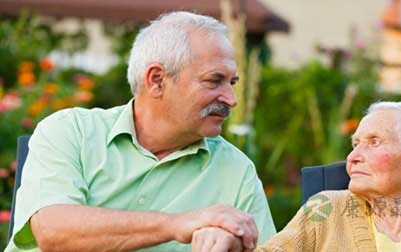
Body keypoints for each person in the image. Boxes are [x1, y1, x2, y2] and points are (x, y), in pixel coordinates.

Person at [5, 11, 275, 252]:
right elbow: (53, 231)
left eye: (232, 83)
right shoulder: (71, 131)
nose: (231, 98)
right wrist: (180, 225)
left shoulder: (237, 171)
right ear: (157, 80)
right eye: (214, 81)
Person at [192, 101, 401, 252]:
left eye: (375, 142)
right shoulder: (326, 210)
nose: (353, 157)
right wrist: (230, 243)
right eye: (355, 144)